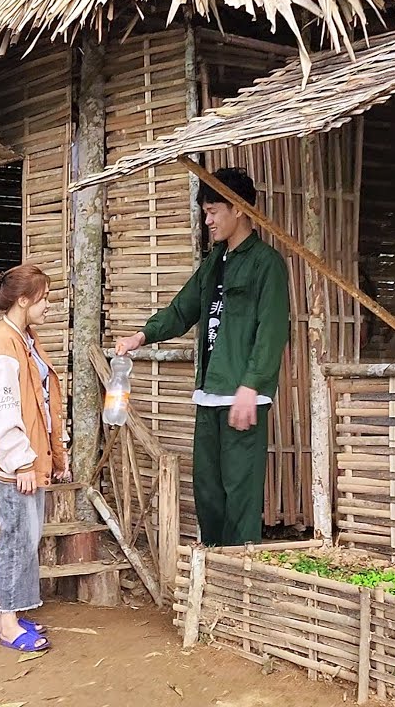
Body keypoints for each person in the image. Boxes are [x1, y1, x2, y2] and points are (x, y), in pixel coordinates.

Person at [115, 167, 290, 547]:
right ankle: (211, 571)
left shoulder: (267, 264)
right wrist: (140, 336)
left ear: (239, 209)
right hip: (209, 394)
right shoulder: (214, 262)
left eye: (213, 211)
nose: (207, 220)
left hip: (244, 397)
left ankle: (241, 577)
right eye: (205, 213)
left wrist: (251, 386)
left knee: (240, 494)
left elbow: (272, 331)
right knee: (208, 492)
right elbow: (181, 311)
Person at [0, 263, 70, 653]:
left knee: (21, 536)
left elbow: (41, 402)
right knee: (19, 538)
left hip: (30, 458)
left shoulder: (22, 337)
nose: (48, 305)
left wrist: (53, 453)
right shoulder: (2, 344)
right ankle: (11, 623)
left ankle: (2, 615)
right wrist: (23, 462)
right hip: (19, 464)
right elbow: (3, 409)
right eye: (44, 298)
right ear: (24, 300)